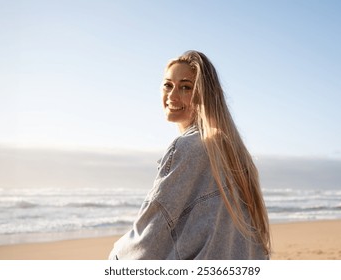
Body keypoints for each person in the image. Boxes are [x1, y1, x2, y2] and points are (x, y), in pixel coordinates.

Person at [108, 50, 270, 260]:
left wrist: (115, 257)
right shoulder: (236, 153)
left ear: (204, 94)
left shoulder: (189, 148)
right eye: (168, 85)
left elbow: (149, 236)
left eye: (185, 87)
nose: (172, 96)